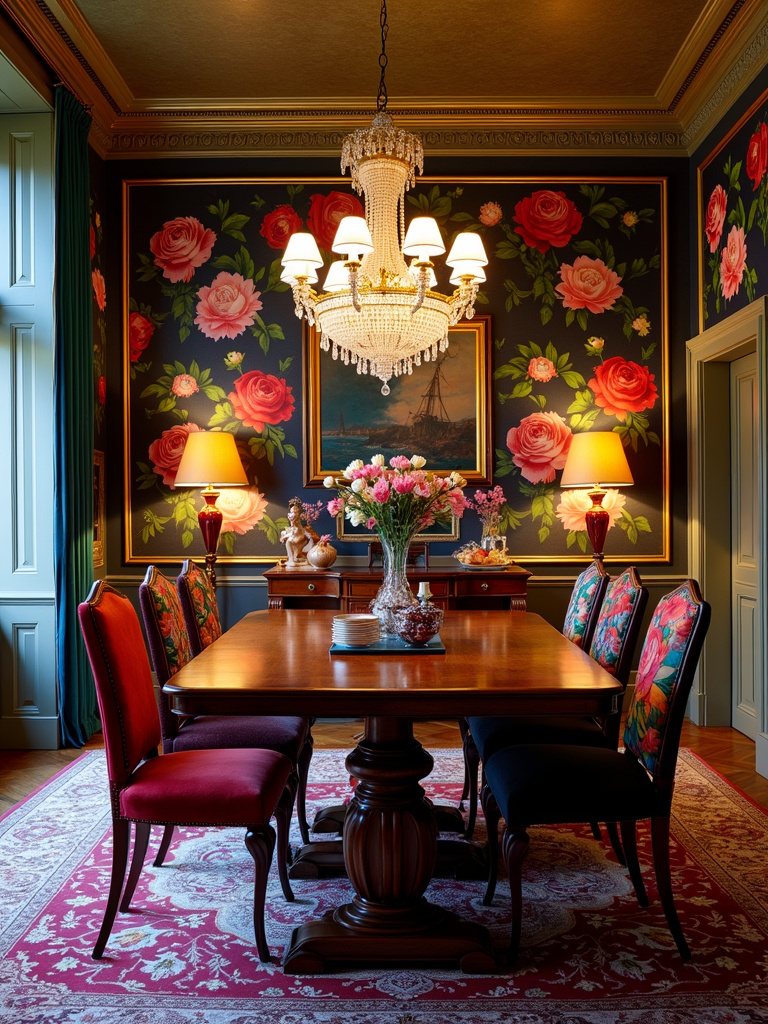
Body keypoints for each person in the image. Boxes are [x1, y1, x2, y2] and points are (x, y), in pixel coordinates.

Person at [280, 498, 315, 566]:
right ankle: (292, 559)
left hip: (299, 535)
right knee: (288, 540)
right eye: (291, 512)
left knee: (289, 541)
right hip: (297, 534)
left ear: (297, 512)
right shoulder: (295, 519)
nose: (291, 514)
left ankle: (292, 559)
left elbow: (295, 531)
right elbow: (294, 530)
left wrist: (285, 536)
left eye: (293, 512)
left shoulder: (296, 520)